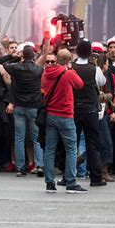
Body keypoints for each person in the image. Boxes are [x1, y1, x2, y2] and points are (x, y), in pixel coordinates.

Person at [42, 49, 87, 193]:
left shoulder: (45, 74)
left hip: (50, 115)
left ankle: (49, 183)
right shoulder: (68, 73)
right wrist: (71, 70)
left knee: (49, 150)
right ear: (68, 61)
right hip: (66, 115)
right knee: (71, 150)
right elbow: (80, 85)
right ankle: (71, 182)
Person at [72, 39, 107, 187]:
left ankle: (69, 175)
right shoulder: (95, 69)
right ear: (91, 53)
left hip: (74, 109)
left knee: (72, 143)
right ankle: (96, 177)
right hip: (90, 109)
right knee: (92, 144)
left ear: (77, 52)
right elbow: (102, 82)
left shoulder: (71, 68)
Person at [4, 45, 44, 176]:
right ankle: (39, 165)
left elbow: (3, 59)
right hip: (34, 106)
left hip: (19, 106)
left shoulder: (15, 68)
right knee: (36, 138)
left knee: (19, 138)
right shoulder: (37, 69)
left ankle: (20, 167)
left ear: (22, 56)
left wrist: (11, 56)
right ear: (33, 57)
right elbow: (45, 54)